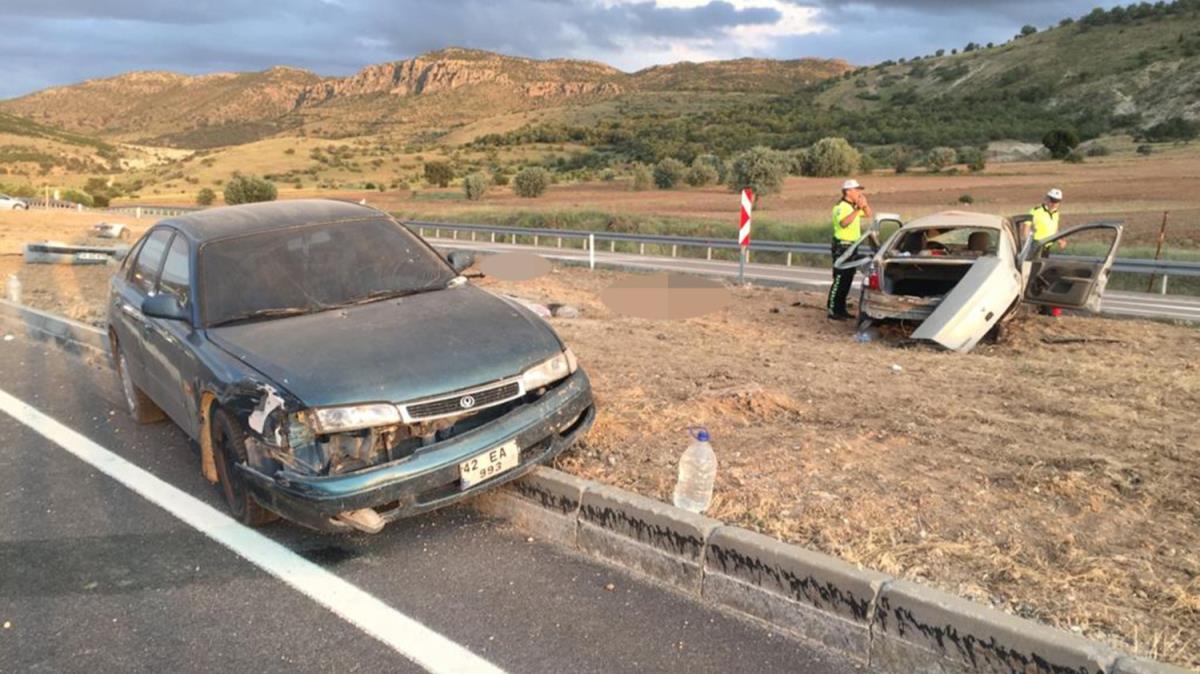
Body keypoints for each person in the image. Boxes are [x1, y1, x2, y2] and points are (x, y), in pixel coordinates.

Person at [827, 179, 872, 320]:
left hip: (853, 246)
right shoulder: (841, 207)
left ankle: (841, 309)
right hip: (842, 246)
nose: (859, 192)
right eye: (857, 190)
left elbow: (868, 214)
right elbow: (844, 222)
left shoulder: (852, 207)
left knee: (848, 278)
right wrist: (858, 209)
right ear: (848, 191)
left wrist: (864, 205)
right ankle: (833, 309)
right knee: (840, 278)